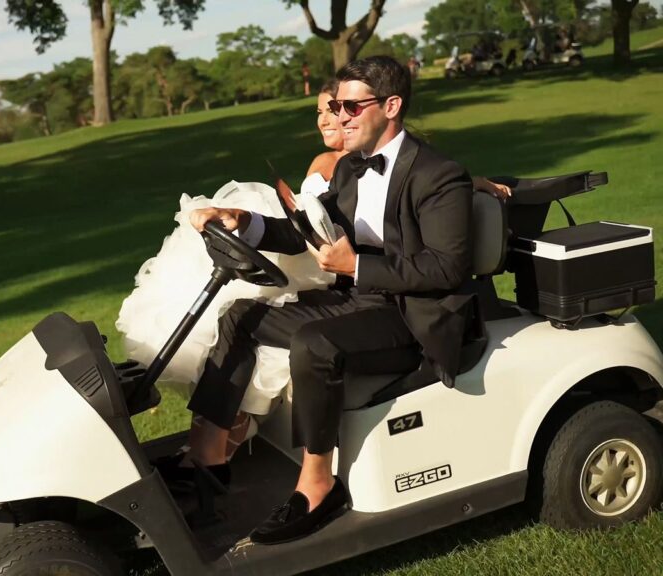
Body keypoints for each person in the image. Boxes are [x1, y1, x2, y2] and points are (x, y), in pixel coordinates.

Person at [175, 55, 480, 545]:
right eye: (336, 105)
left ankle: (318, 484)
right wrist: (243, 222)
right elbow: (309, 236)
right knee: (242, 315)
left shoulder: (438, 174)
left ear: (392, 105)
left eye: (350, 107)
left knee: (315, 344)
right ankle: (208, 463)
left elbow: (447, 268)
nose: (338, 117)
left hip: (414, 315)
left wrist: (356, 267)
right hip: (361, 301)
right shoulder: (351, 170)